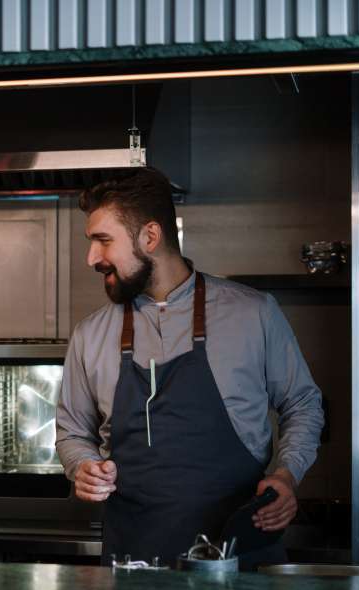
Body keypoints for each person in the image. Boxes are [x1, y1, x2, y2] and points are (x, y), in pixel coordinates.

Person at [55, 168, 324, 567]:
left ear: (150, 236)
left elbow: (303, 403)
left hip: (238, 560)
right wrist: (83, 467)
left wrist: (286, 475)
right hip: (135, 562)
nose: (92, 258)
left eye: (103, 241)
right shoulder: (90, 334)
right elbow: (73, 433)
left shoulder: (253, 313)